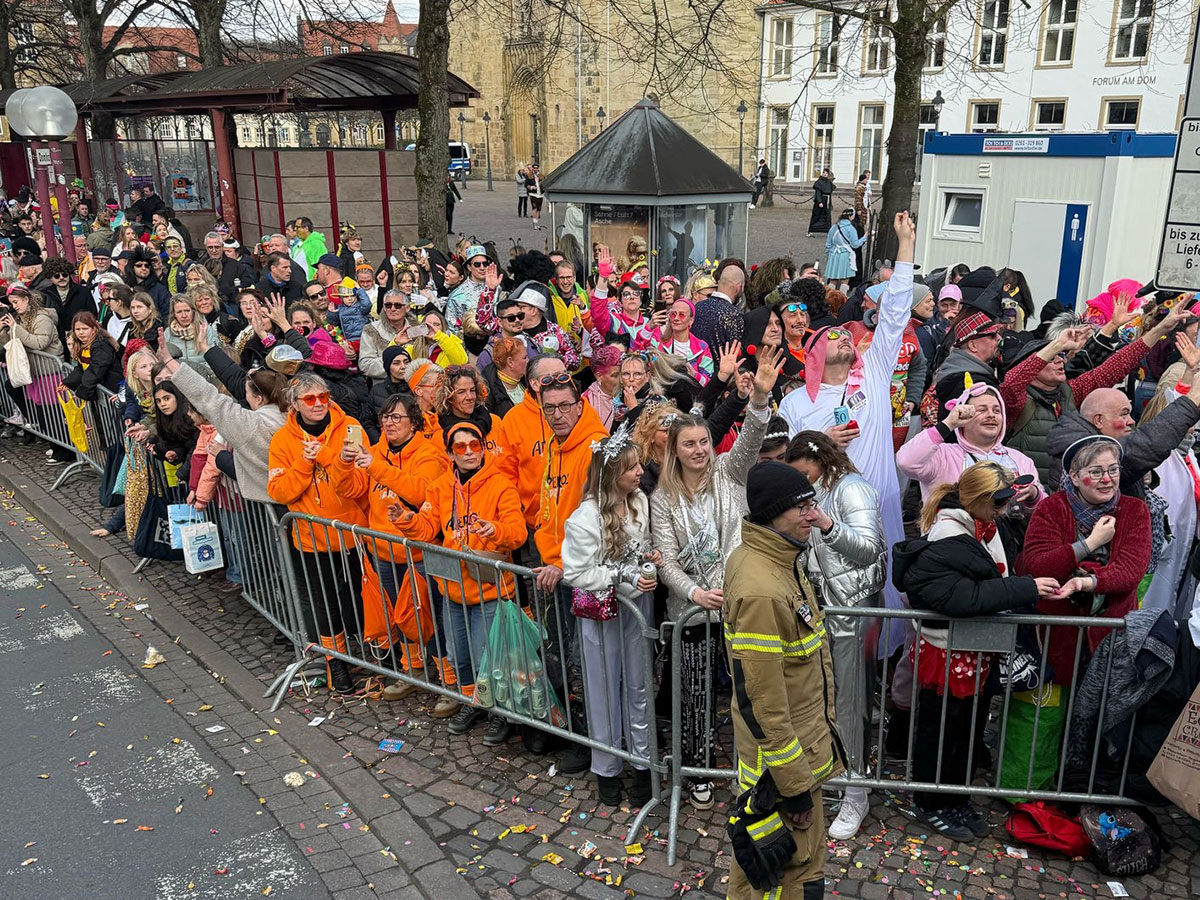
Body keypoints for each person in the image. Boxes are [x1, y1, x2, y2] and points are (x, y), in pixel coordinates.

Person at [893, 461, 1057, 841]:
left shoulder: (983, 524)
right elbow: (961, 597)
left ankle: (956, 793)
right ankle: (931, 799)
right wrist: (1026, 588)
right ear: (980, 501)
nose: (1004, 511)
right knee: (943, 728)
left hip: (976, 646)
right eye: (999, 504)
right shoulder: (949, 536)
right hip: (949, 650)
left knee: (968, 728)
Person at [650, 346, 779, 810]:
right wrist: (695, 592)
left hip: (741, 603)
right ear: (675, 451)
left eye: (704, 442)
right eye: (690, 444)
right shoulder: (662, 497)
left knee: (752, 692)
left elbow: (749, 438)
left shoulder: (730, 472)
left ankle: (758, 772)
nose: (699, 450)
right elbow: (663, 560)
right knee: (696, 696)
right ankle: (698, 765)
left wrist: (759, 399)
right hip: (692, 612)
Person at [779, 212, 917, 630]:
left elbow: (894, 316)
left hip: (879, 504)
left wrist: (905, 247)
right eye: (832, 336)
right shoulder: (798, 402)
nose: (843, 336)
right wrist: (821, 440)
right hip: (825, 515)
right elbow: (783, 459)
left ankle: (883, 668)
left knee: (885, 594)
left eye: (846, 335)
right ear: (813, 355)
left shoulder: (872, 375)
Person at [722, 463, 844, 900]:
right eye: (802, 506)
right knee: (789, 868)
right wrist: (792, 790)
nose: (813, 514)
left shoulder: (776, 559)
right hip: (781, 769)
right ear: (774, 513)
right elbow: (763, 700)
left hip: (792, 757)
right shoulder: (761, 587)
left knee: (761, 864)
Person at [387, 420, 526, 741]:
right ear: (450, 453)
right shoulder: (439, 488)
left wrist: (496, 531)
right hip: (452, 591)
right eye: (460, 447)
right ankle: (472, 702)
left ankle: (498, 713)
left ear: (483, 447)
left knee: (485, 657)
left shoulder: (501, 485)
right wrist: (405, 520)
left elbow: (517, 532)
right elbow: (426, 528)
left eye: (474, 445)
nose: (468, 452)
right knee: (459, 655)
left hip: (490, 592)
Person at [784, 432, 885, 840]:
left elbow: (870, 548)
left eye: (800, 470)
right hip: (829, 609)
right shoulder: (817, 491)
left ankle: (856, 791)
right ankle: (838, 774)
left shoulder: (852, 489)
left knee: (852, 703)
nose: (798, 479)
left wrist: (825, 524)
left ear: (816, 460)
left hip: (854, 609)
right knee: (828, 698)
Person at [329, 391, 452, 704]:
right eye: (385, 417)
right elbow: (352, 488)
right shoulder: (376, 451)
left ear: (413, 423)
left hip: (420, 555)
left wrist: (376, 468)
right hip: (384, 552)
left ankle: (450, 683)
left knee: (431, 619)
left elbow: (420, 491)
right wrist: (344, 464)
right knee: (401, 617)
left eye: (397, 417)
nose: (389, 423)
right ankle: (414, 671)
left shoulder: (427, 453)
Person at [561, 430, 659, 807]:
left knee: (639, 685)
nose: (639, 473)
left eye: (637, 465)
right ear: (610, 474)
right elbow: (577, 573)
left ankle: (643, 761)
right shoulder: (584, 518)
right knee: (603, 690)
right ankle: (607, 768)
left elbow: (644, 548)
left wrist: (650, 563)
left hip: (637, 611)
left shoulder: (640, 503)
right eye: (630, 468)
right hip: (601, 614)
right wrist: (624, 576)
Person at [1017, 436, 1151, 687]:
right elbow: (1038, 564)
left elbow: (1130, 572)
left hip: (1111, 634)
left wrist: (1085, 582)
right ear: (1075, 477)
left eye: (1113, 470)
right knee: (1050, 712)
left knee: (1098, 710)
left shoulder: (1135, 510)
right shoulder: (1051, 508)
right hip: (1056, 634)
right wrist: (1089, 544)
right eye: (1096, 471)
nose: (1107, 479)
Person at [267, 373, 369, 695]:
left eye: (323, 397)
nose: (318, 404)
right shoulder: (283, 440)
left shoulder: (349, 427)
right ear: (295, 404)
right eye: (310, 399)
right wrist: (303, 465)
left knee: (359, 598)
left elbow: (361, 478)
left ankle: (373, 653)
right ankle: (335, 663)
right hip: (312, 539)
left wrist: (326, 457)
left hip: (353, 533)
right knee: (325, 605)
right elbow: (279, 490)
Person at [648, 298, 714, 386]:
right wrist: (649, 327)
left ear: (691, 320)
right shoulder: (658, 342)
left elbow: (708, 382)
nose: (676, 318)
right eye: (673, 314)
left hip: (690, 396)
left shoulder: (702, 347)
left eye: (682, 315)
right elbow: (639, 355)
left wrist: (694, 375)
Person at [63, 311, 122, 400]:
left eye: (85, 329)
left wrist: (82, 392)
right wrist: (68, 382)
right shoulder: (83, 344)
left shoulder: (100, 345)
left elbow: (96, 370)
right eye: (78, 329)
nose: (81, 332)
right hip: (102, 391)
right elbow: (82, 368)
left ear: (94, 329)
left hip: (112, 390)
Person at [165, 294, 220, 385]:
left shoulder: (205, 330)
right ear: (174, 314)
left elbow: (215, 358)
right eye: (179, 312)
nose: (184, 315)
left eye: (187, 311)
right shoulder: (168, 333)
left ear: (193, 311)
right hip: (178, 381)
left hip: (205, 380)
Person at [358, 289, 412, 380]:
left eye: (398, 305)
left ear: (407, 308)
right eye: (388, 305)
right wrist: (394, 346)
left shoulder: (417, 329)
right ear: (384, 307)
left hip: (414, 386)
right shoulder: (371, 330)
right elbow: (365, 366)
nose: (393, 309)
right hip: (383, 387)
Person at [691, 263, 745, 351]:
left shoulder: (697, 308)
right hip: (723, 364)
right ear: (738, 287)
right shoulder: (734, 314)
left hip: (696, 364)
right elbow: (736, 352)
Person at [481, 336, 527, 419]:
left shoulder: (526, 381)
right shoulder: (488, 390)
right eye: (524, 358)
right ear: (510, 362)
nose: (528, 360)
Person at [825, 209, 867, 292]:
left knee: (833, 279)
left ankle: (829, 297)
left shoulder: (834, 227)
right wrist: (864, 237)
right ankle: (842, 298)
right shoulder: (851, 229)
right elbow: (855, 244)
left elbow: (828, 244)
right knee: (845, 280)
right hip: (845, 255)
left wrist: (830, 254)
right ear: (851, 217)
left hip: (834, 254)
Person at [581, 344, 621, 429]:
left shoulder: (631, 393)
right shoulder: (587, 402)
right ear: (599, 376)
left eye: (623, 373)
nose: (621, 379)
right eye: (615, 375)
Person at [809, 168, 835, 235]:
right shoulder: (819, 182)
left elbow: (830, 191)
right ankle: (811, 230)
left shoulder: (829, 182)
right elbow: (818, 193)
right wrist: (819, 201)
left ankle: (828, 230)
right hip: (821, 200)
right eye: (824, 173)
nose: (825, 174)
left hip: (827, 201)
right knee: (817, 215)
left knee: (827, 216)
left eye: (826, 173)